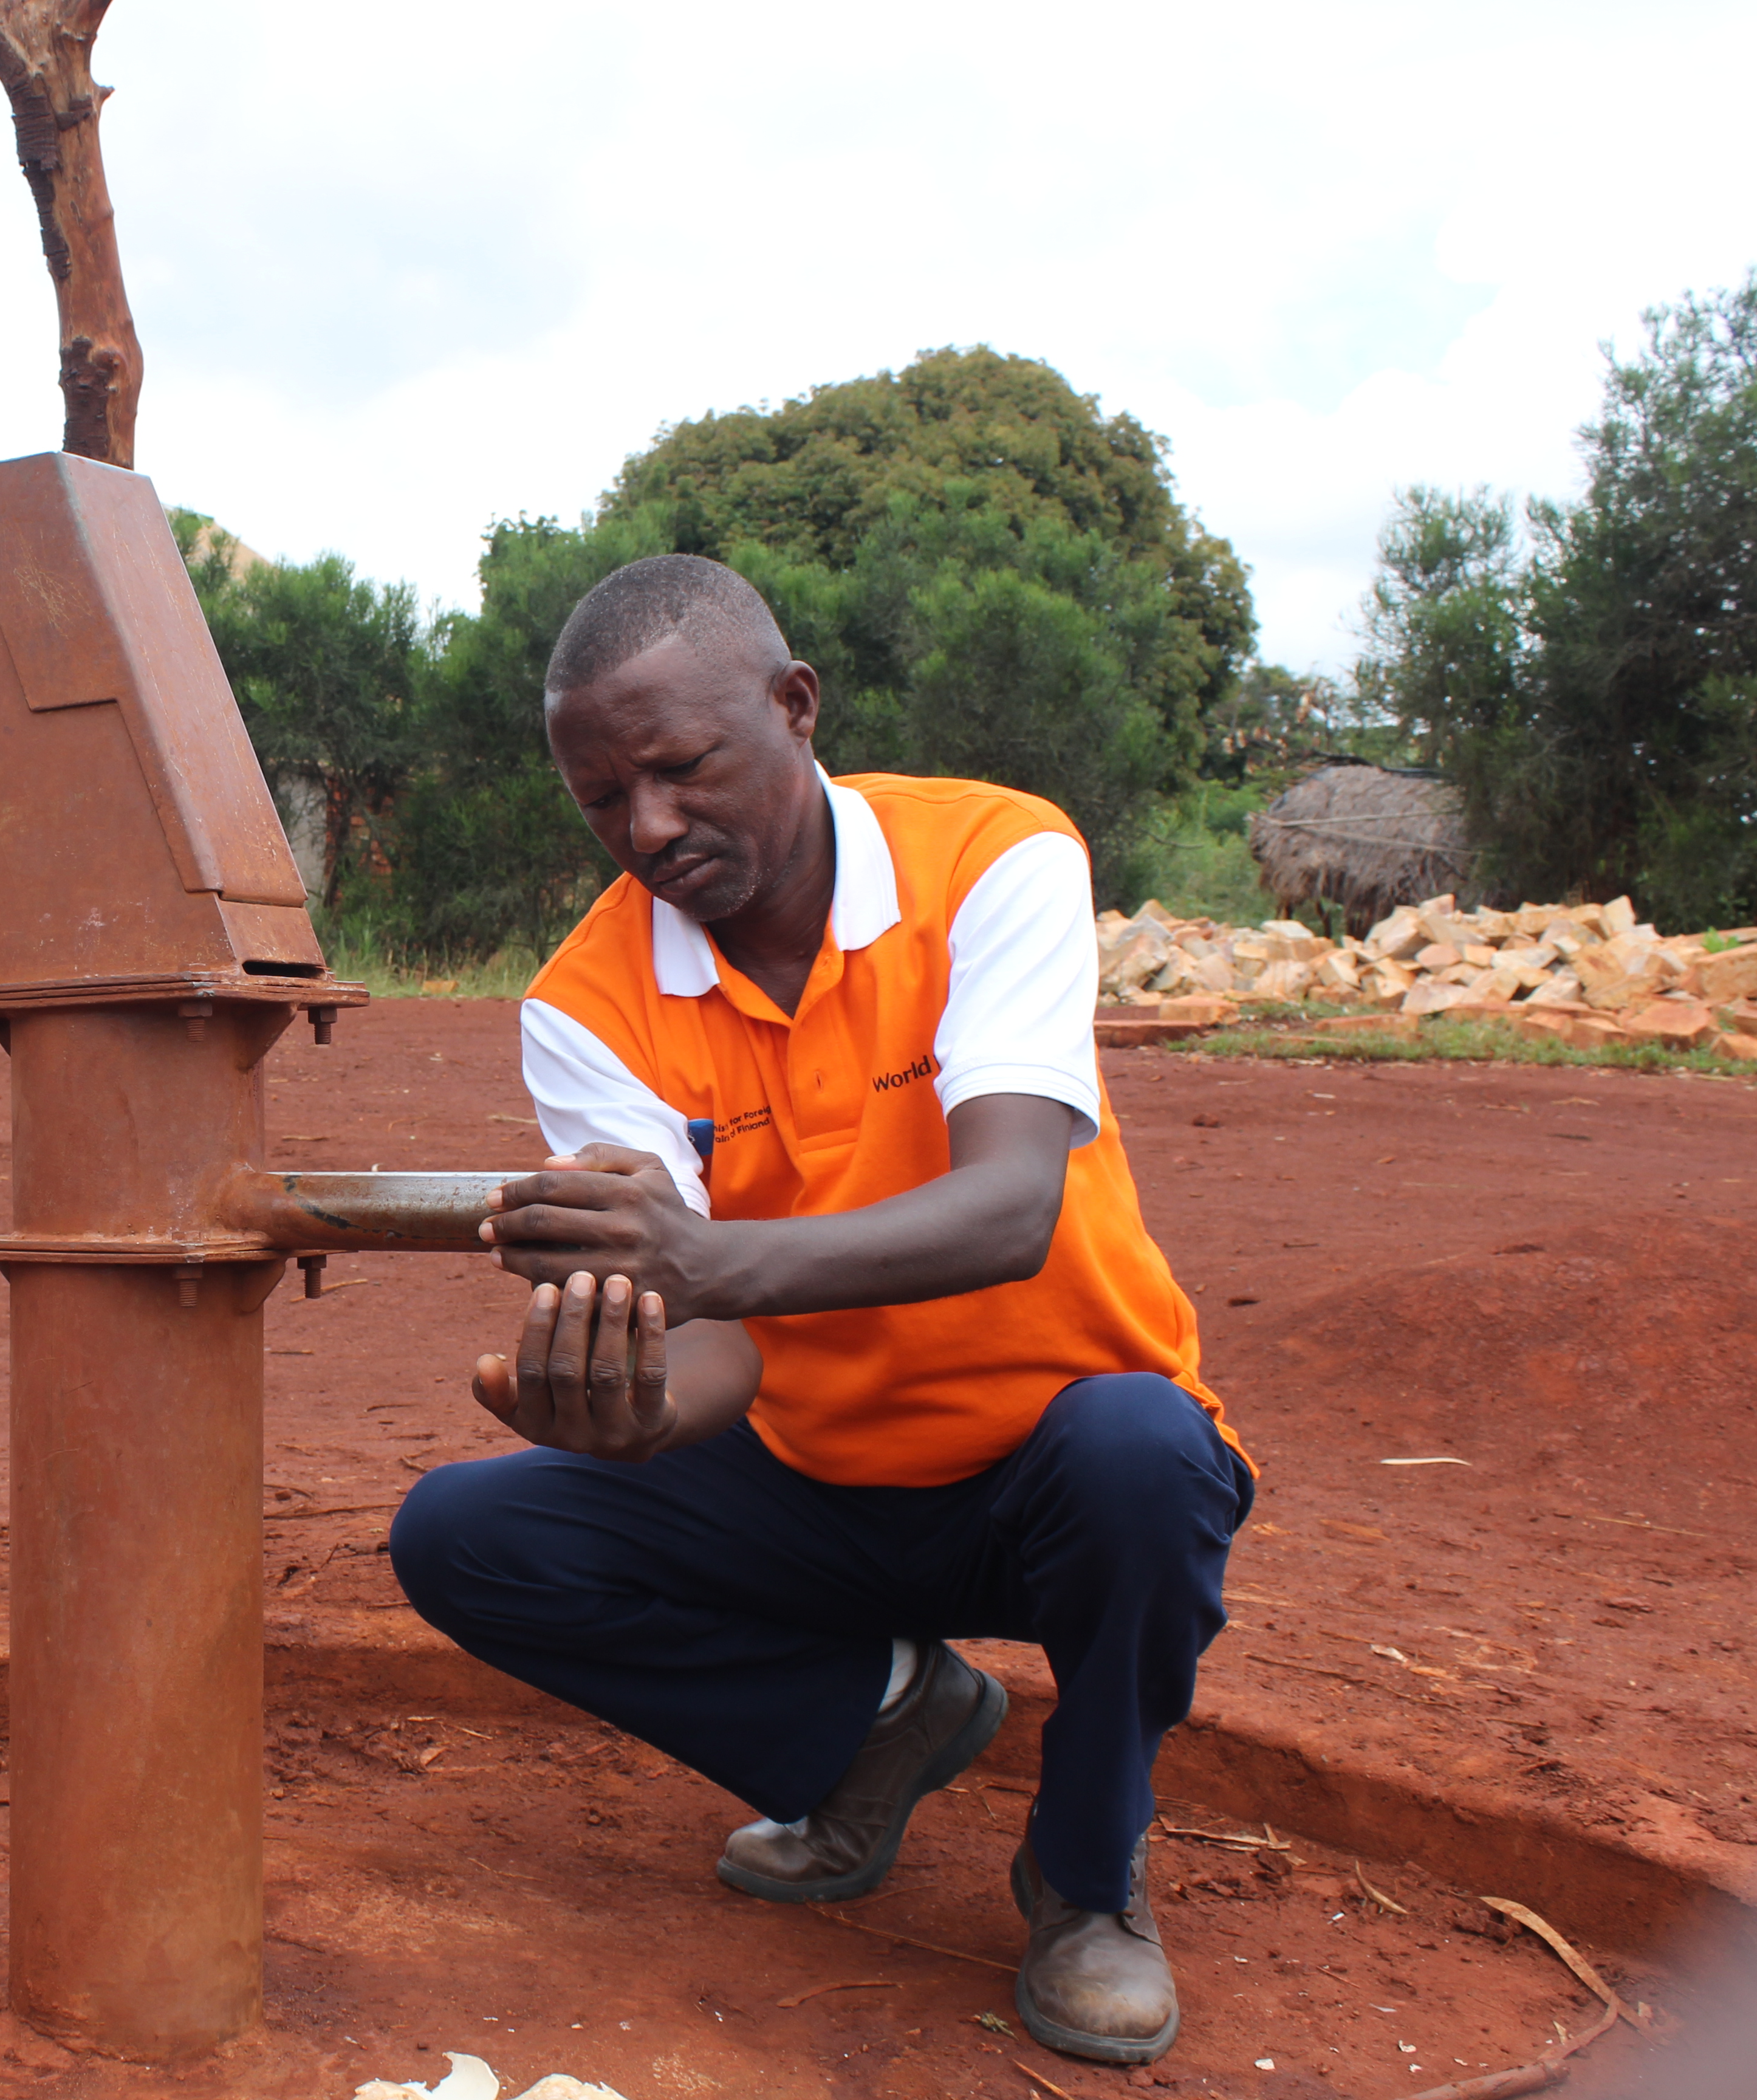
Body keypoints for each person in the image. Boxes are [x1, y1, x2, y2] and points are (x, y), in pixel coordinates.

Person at [389, 555, 1250, 2064]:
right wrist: (634, 1413)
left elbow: (1010, 1206)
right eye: (602, 798)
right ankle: (880, 1721)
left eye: (682, 767)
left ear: (794, 707)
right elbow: (706, 1339)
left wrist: (705, 1267)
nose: (647, 829)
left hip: (1048, 1472)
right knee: (470, 1535)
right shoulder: (585, 1004)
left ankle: (1087, 1877)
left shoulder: (996, 857)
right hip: (815, 1483)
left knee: (1146, 1454)